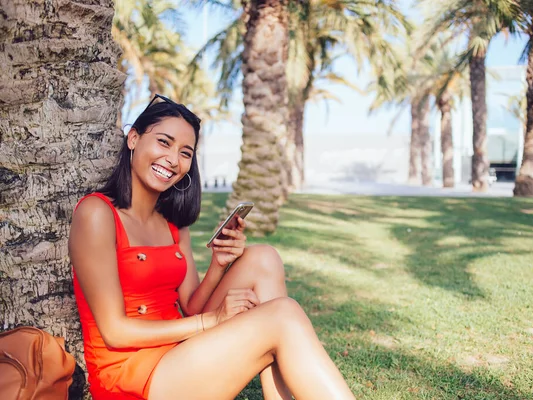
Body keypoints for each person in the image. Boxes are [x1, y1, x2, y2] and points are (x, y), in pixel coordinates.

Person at [69, 95, 355, 400]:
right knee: (283, 315)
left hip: (180, 354)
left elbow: (191, 304)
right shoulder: (96, 214)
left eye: (185, 152)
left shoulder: (172, 222)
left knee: (264, 258)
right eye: (164, 142)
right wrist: (211, 321)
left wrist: (219, 263)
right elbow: (115, 331)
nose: (173, 160)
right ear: (134, 138)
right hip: (132, 374)